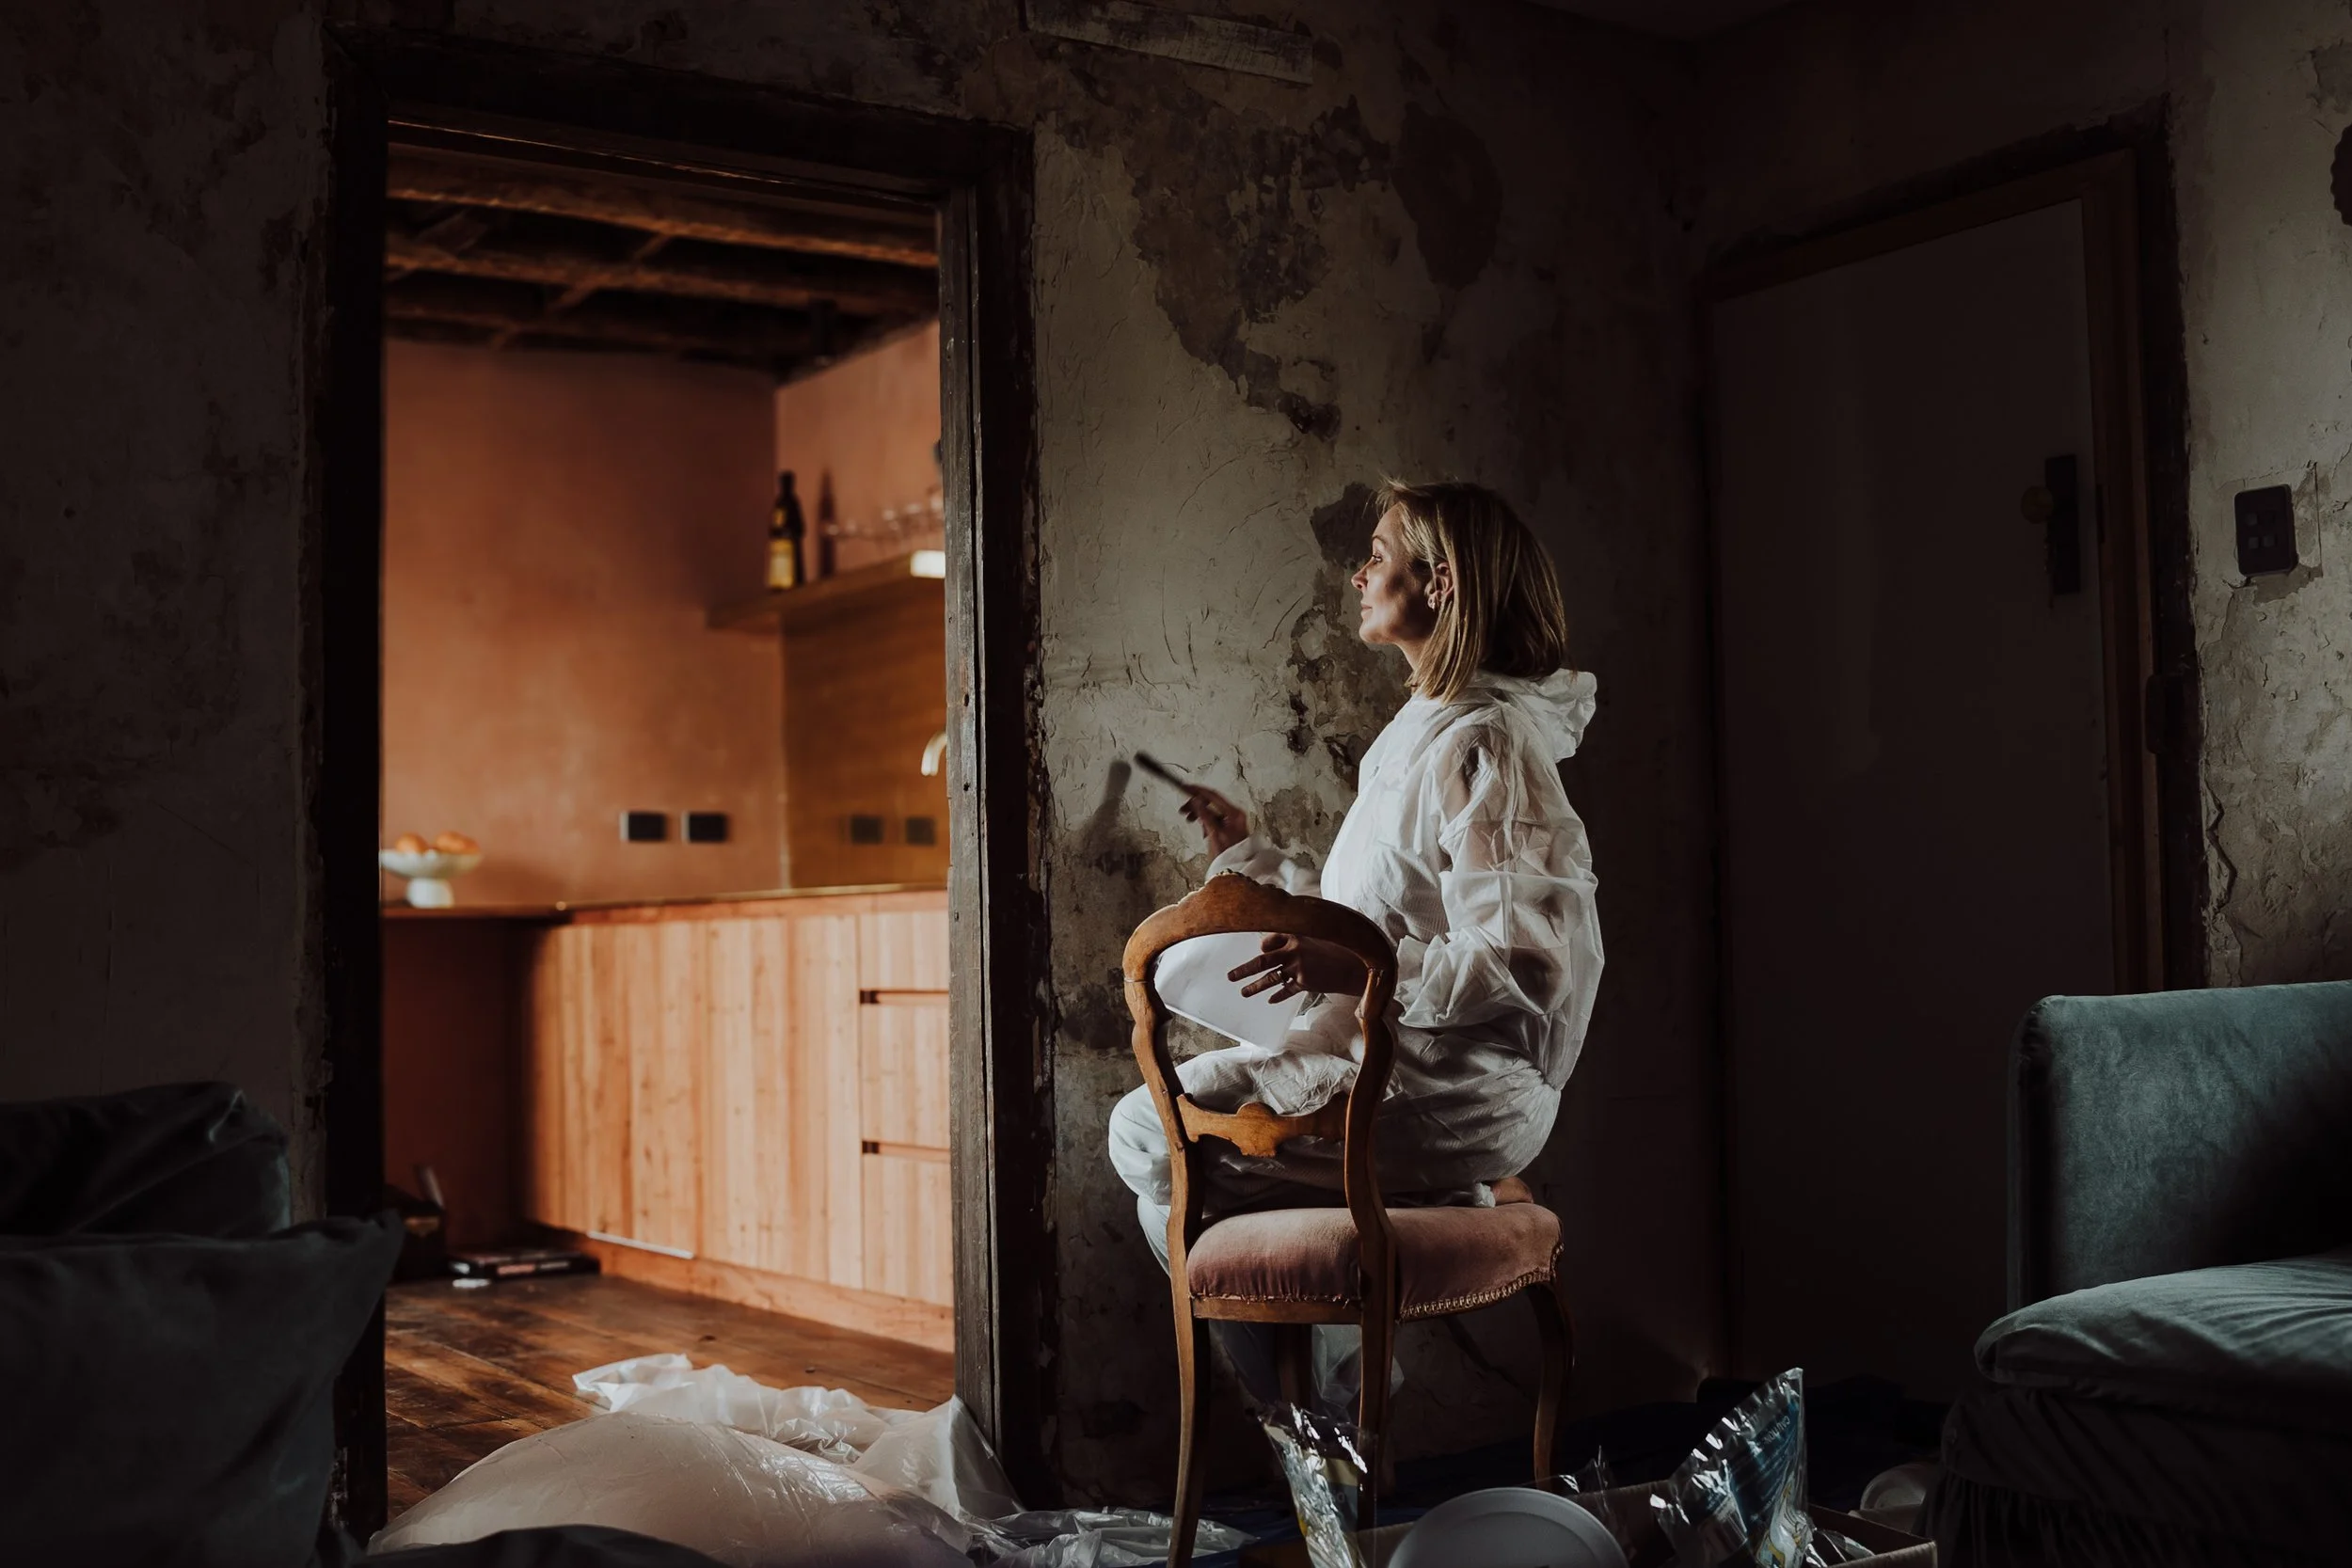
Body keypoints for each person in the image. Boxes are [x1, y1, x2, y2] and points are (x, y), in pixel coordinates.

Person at [1106, 477, 1604, 1409]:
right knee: (1162, 1137)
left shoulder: (1487, 739)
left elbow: (1529, 961)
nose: (1356, 575)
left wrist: (1360, 968)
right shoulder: (1424, 733)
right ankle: (1327, 1390)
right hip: (1399, 1055)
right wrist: (1245, 854)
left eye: (1377, 555)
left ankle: (1318, 1411)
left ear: (1442, 583)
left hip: (1460, 1078)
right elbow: (1371, 915)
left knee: (1144, 1133)